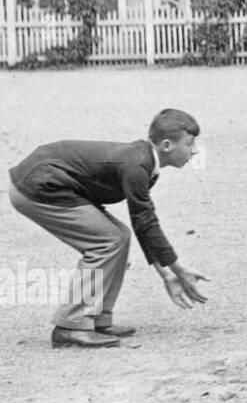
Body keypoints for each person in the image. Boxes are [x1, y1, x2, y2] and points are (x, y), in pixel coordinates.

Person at [8, 109, 209, 348]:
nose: (194, 150)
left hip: (51, 182)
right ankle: (71, 324)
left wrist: (167, 274)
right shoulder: (137, 165)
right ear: (167, 145)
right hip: (37, 186)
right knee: (107, 241)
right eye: (190, 143)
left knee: (118, 237)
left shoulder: (145, 163)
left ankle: (96, 317)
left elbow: (143, 226)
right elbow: (146, 223)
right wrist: (177, 269)